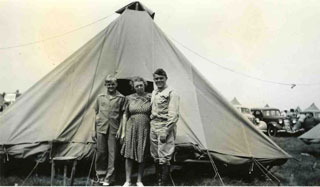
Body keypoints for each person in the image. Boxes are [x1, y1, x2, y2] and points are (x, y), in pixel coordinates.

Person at [117, 77, 151, 186]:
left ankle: (139, 180)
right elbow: (125, 115)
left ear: (144, 85)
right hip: (131, 128)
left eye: (141, 85)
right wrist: (123, 132)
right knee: (129, 154)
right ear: (133, 87)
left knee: (142, 153)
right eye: (137, 86)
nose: (139, 87)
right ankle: (127, 180)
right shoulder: (129, 98)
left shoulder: (151, 97)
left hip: (145, 128)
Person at [94, 75, 126, 186]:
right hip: (101, 128)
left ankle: (110, 177)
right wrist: (94, 130)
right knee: (101, 152)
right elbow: (96, 114)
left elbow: (123, 116)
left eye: (113, 84)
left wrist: (121, 131)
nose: (110, 86)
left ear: (116, 85)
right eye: (108, 84)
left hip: (114, 129)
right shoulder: (100, 97)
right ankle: (101, 175)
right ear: (105, 85)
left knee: (113, 154)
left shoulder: (121, 98)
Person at [150, 68, 180, 186]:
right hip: (154, 125)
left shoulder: (172, 92)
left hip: (164, 125)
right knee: (155, 154)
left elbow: (174, 115)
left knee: (164, 154)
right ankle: (158, 178)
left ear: (166, 78)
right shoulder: (154, 92)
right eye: (156, 79)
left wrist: (166, 131)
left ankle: (163, 182)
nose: (159, 81)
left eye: (161, 78)